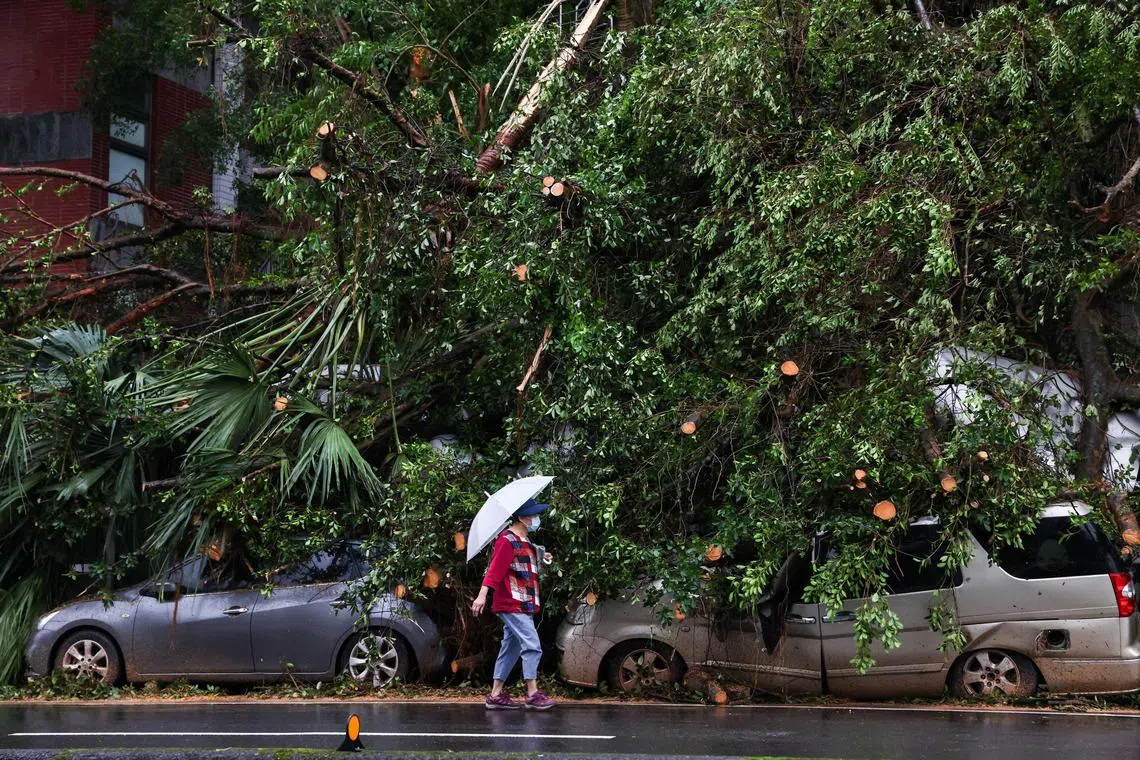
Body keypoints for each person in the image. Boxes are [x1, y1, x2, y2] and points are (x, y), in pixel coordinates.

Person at [471, 498, 556, 710]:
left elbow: (530, 567)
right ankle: (533, 693)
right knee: (532, 645)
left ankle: (495, 694)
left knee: (511, 646)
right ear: (521, 517)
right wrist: (482, 595)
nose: (535, 519)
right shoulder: (507, 540)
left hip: (525, 603)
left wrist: (543, 558)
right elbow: (494, 570)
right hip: (511, 603)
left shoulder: (525, 541)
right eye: (532, 515)